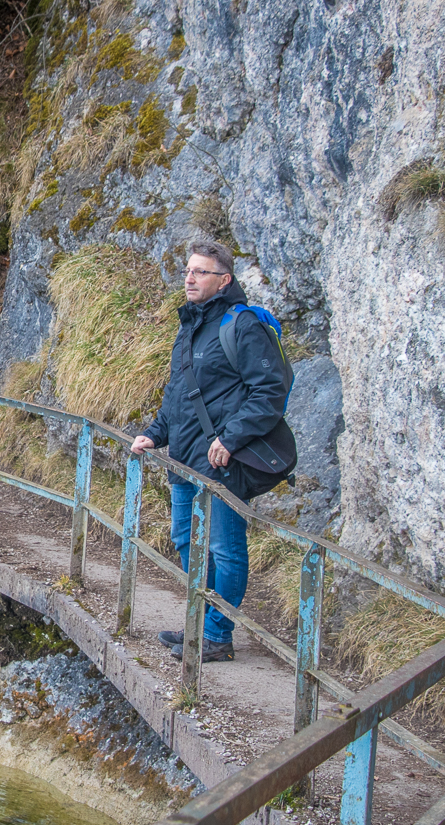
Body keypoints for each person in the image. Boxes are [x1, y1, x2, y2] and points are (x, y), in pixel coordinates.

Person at [130, 241, 290, 663]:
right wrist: (153, 434)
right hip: (183, 460)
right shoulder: (189, 326)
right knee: (186, 540)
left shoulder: (243, 326)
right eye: (188, 270)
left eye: (200, 272)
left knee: (224, 547)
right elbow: (178, 398)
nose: (189, 278)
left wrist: (230, 438)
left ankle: (217, 636)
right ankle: (201, 625)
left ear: (225, 280)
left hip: (223, 463)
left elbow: (272, 390)